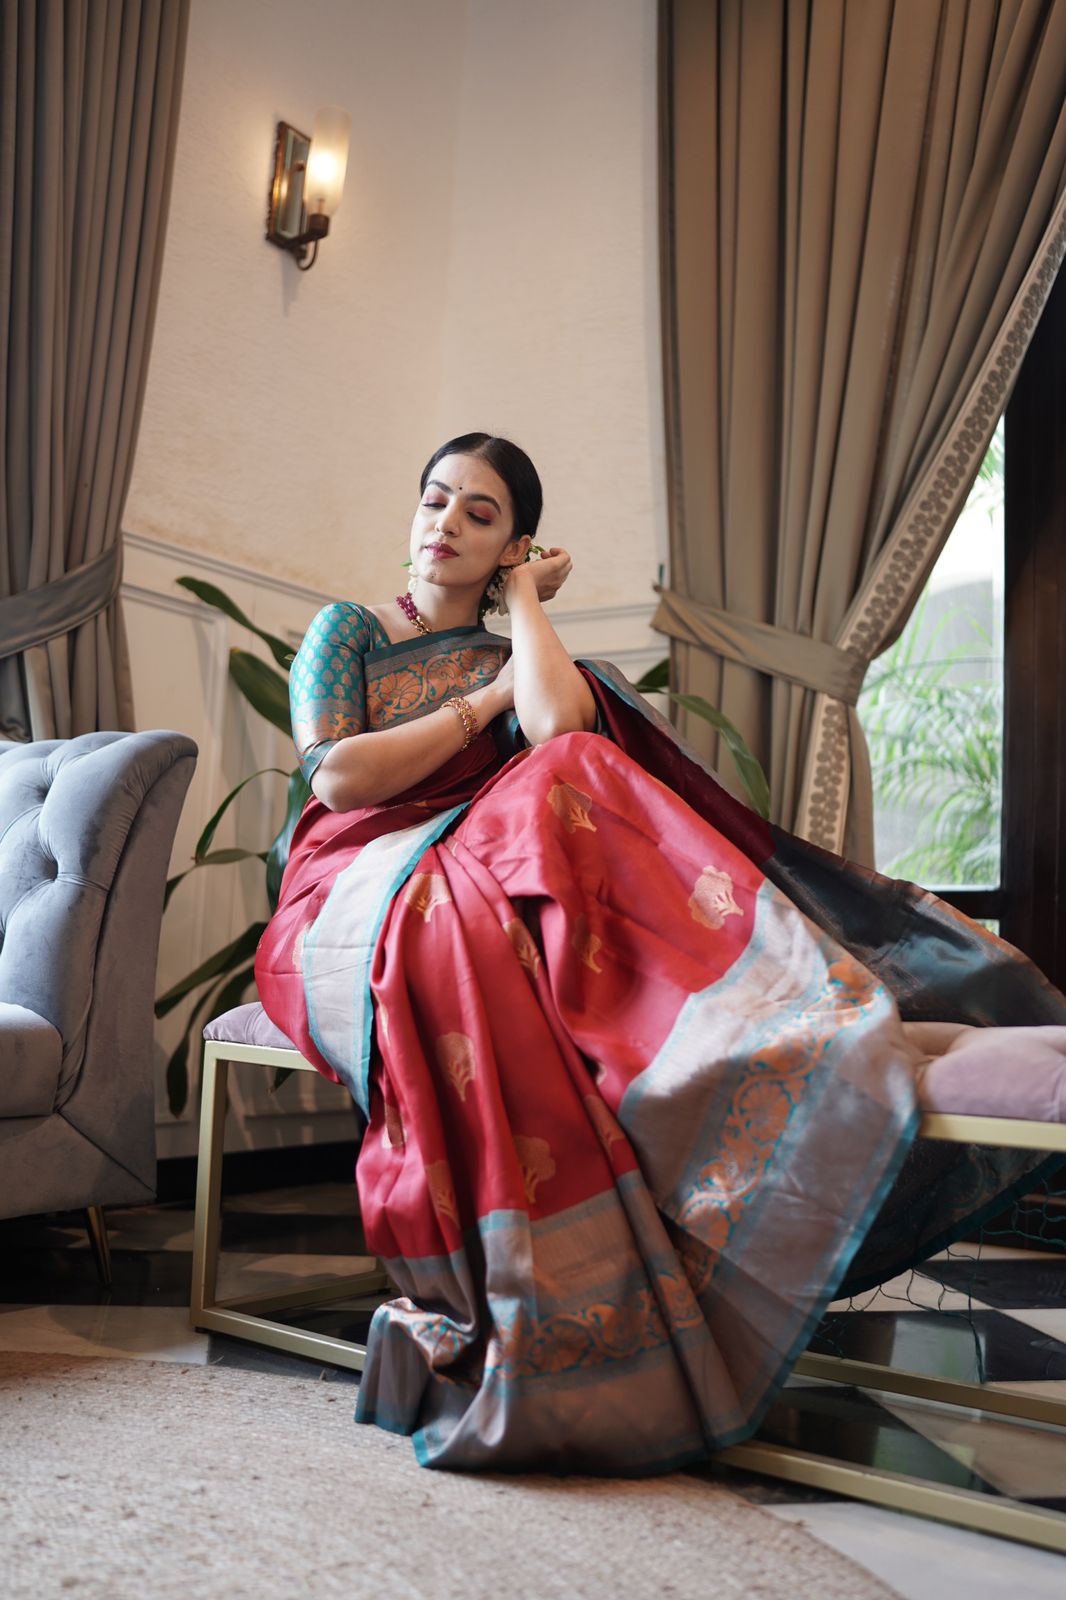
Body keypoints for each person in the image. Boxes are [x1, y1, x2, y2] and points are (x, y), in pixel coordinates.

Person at [255, 431, 1066, 1473]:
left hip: (484, 870)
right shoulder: (349, 631)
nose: (444, 523)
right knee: (533, 818)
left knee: (577, 763)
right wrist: (484, 703)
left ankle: (752, 1014)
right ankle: (760, 1004)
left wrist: (527, 612)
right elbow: (341, 783)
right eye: (434, 501)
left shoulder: (517, 648)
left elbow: (559, 735)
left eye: (479, 512)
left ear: (515, 543)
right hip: (355, 884)